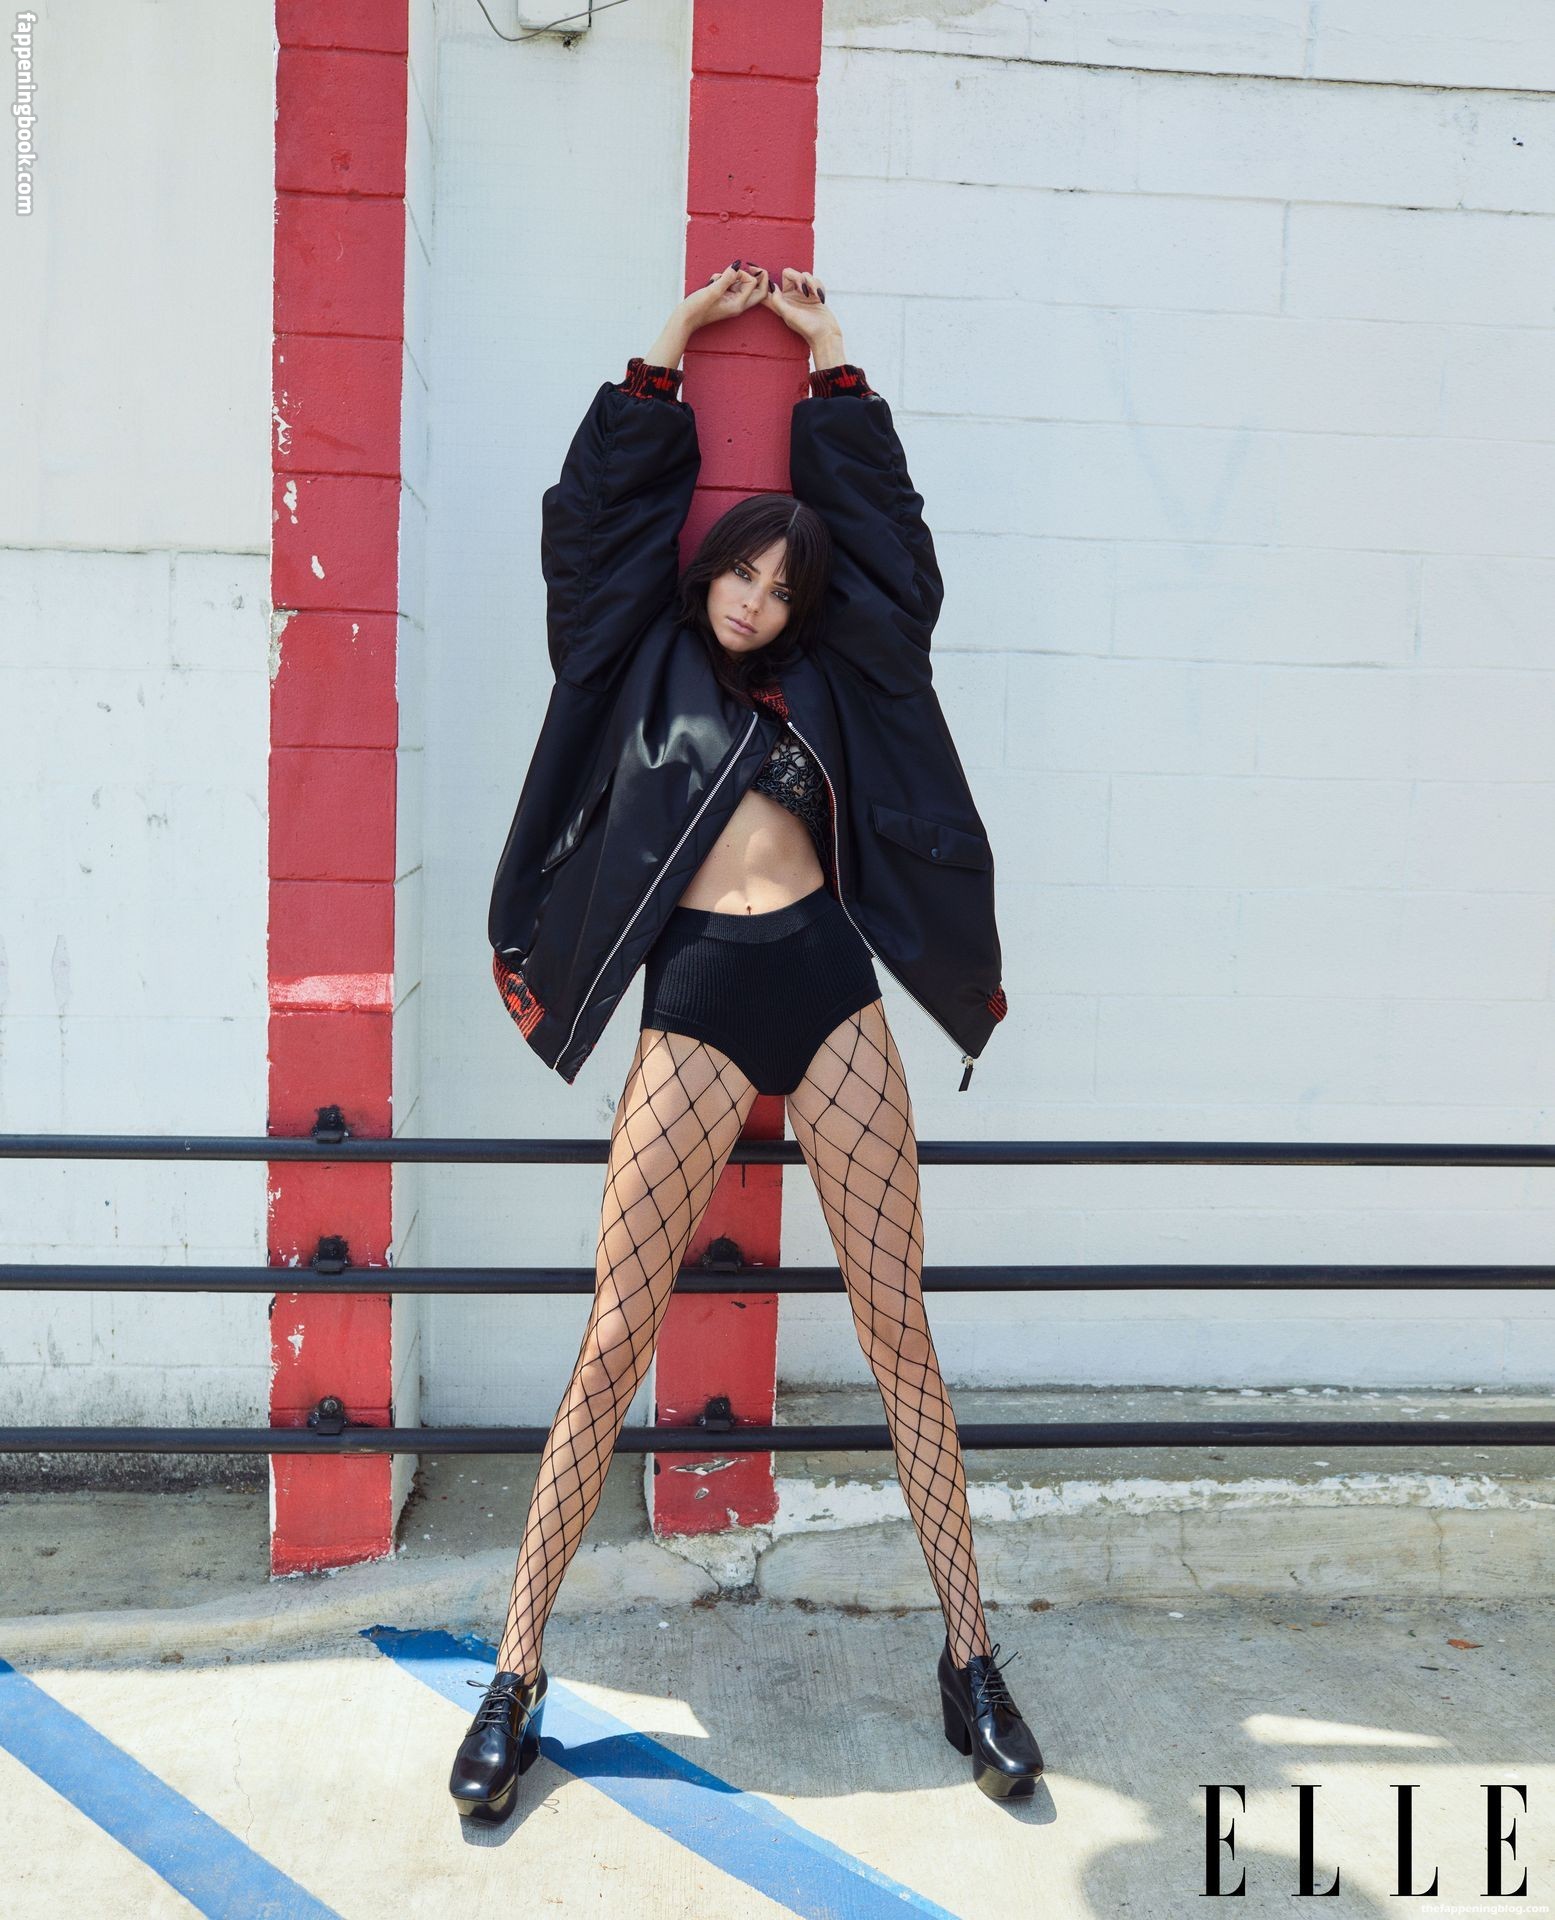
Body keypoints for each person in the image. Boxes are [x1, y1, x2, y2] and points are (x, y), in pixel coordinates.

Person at [450, 264, 1042, 1823]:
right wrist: (670, 347)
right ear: (707, 568)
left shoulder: (842, 675)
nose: (754, 602)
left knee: (899, 1330)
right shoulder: (633, 652)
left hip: (829, 987)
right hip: (699, 993)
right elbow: (590, 530)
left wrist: (834, 370)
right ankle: (515, 1674)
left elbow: (896, 567)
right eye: (741, 575)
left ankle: (972, 1661)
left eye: (782, 587)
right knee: (612, 1341)